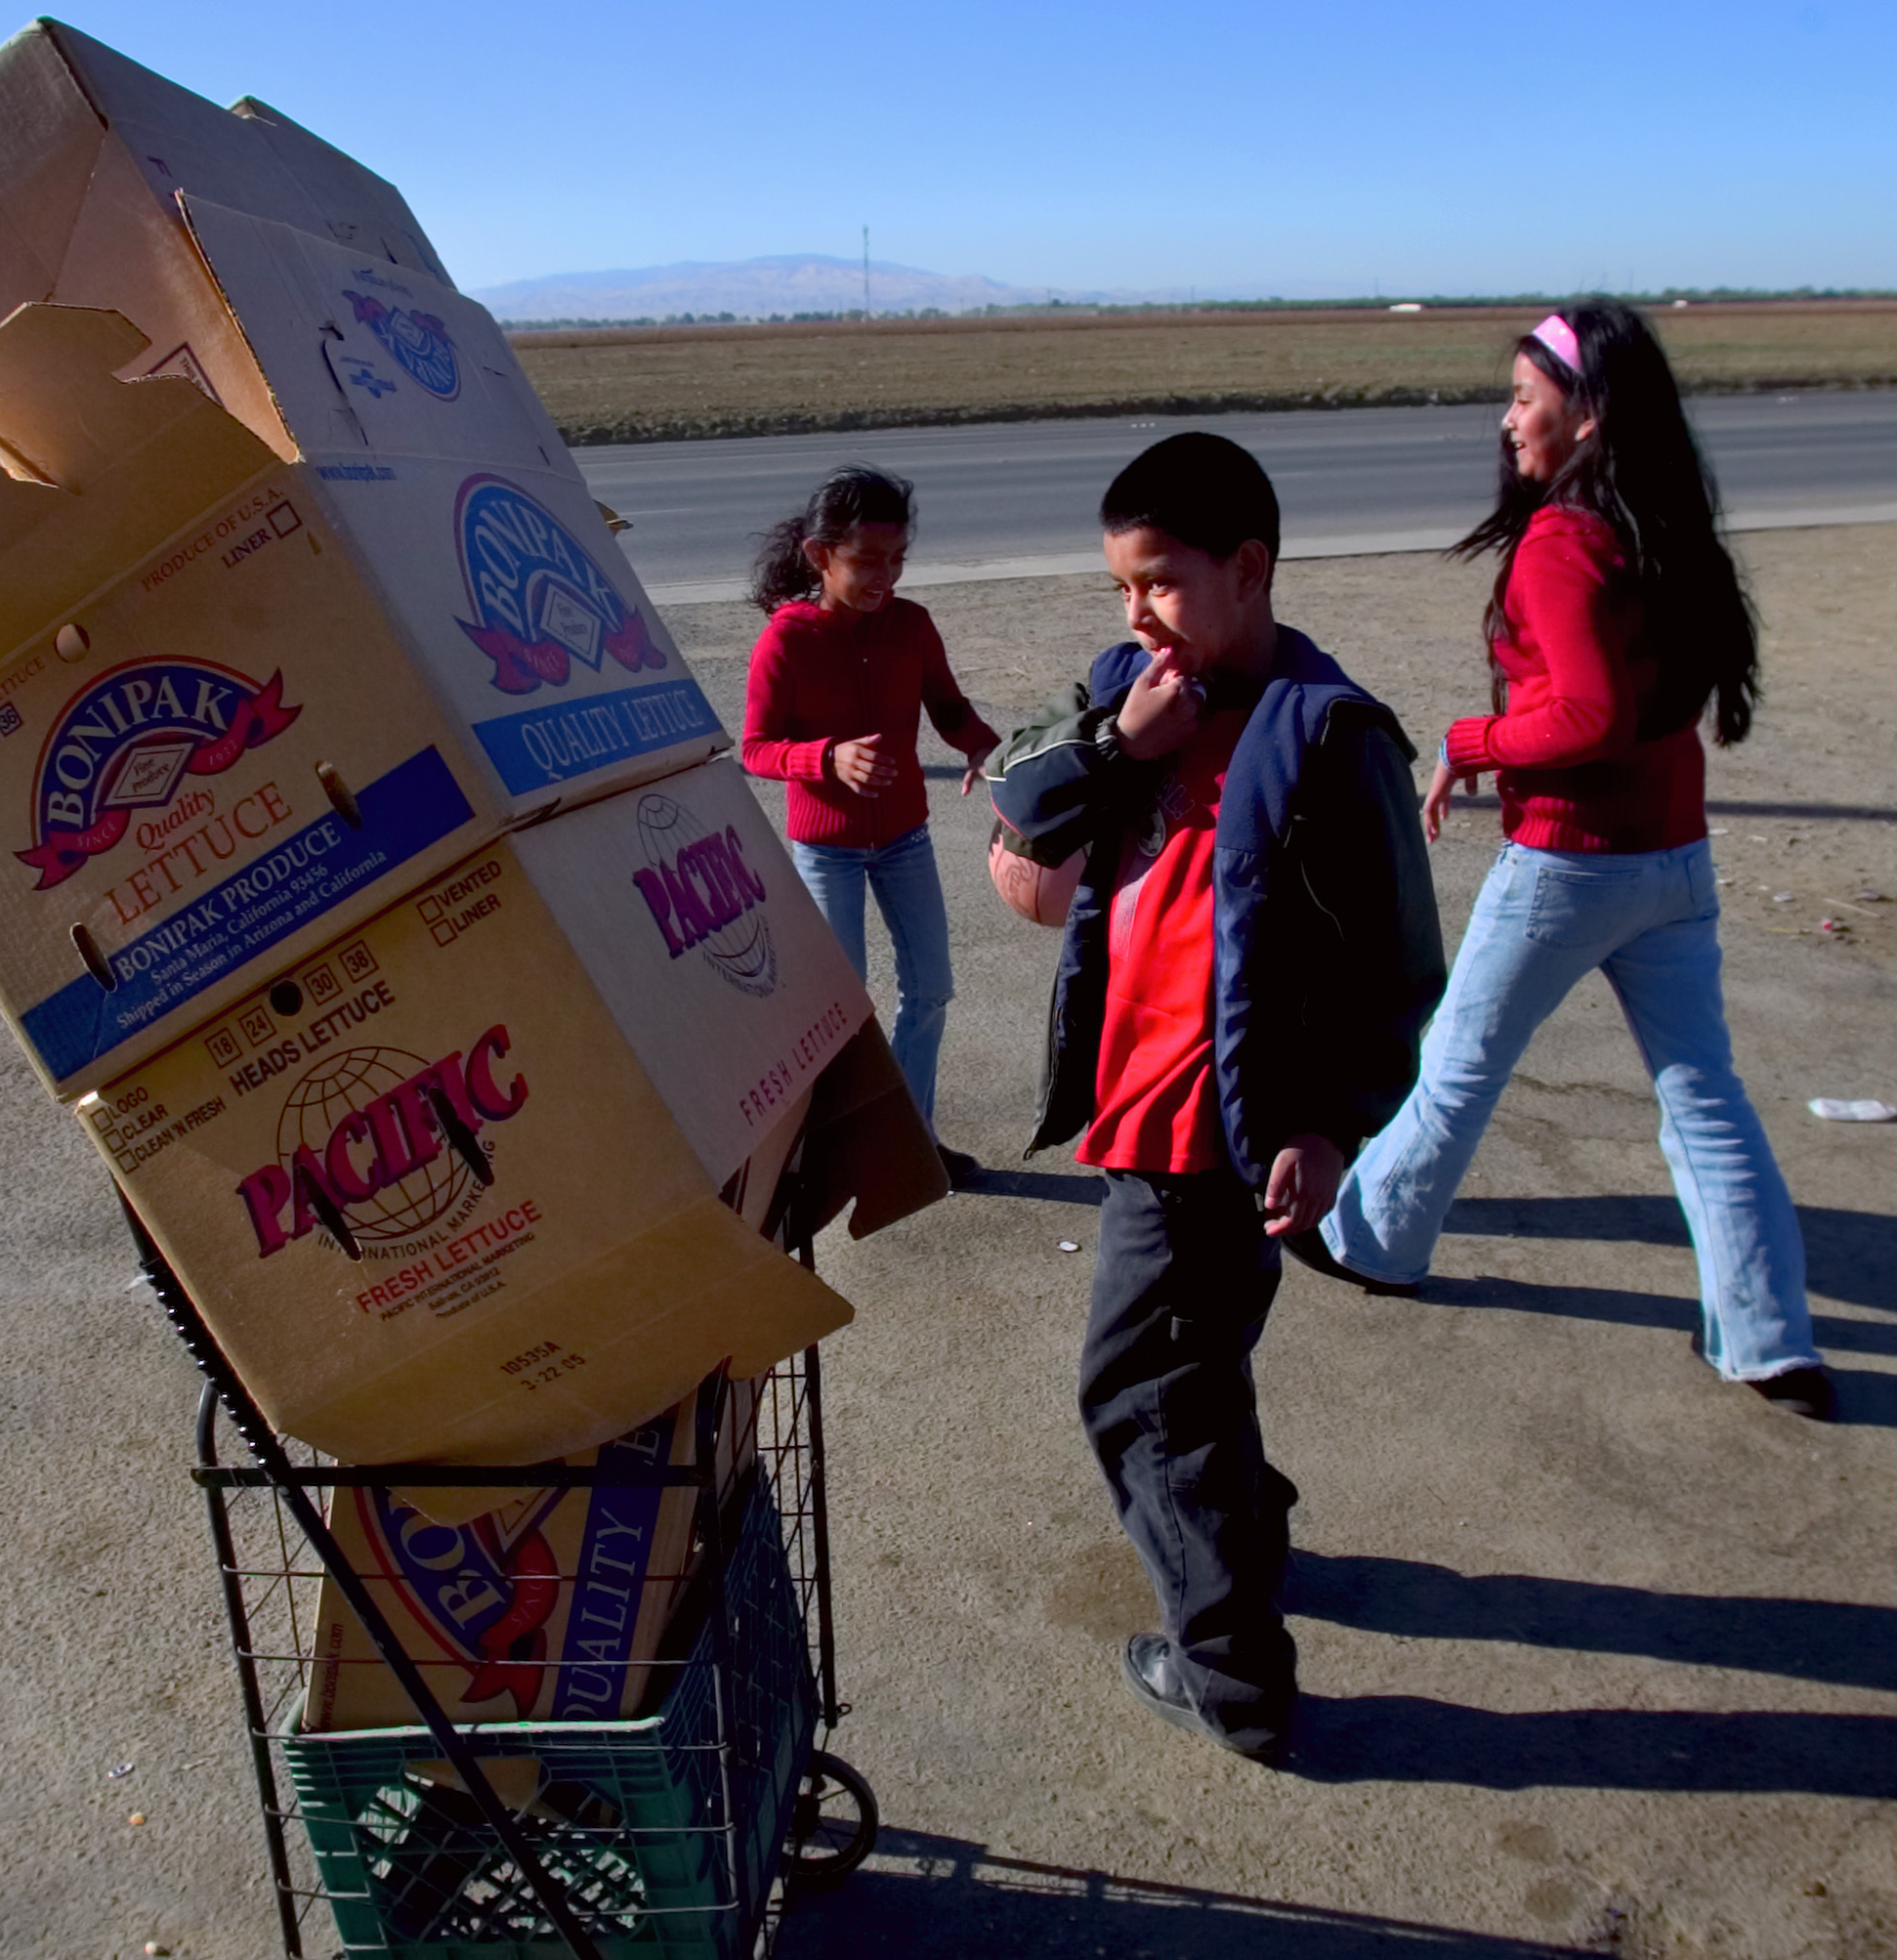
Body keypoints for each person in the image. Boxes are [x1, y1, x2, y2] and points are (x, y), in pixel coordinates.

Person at [1288, 302, 1835, 1424]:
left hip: (1571, 863)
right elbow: (1641, 708)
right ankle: (1770, 1336)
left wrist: (1466, 741)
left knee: (1455, 1064)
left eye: (1526, 400)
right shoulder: (1658, 526)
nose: (1508, 421)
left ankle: (1376, 1243)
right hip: (1674, 860)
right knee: (1705, 1098)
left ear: (1586, 417)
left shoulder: (1565, 541)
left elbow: (1586, 712)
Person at [987, 433, 1445, 1762]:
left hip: (1218, 1142)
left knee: (1144, 1398)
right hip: (1135, 1105)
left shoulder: (1329, 734)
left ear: (1248, 570)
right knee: (1197, 1377)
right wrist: (1121, 748)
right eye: (1118, 586)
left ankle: (1233, 1678)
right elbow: (1021, 809)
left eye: (1162, 582)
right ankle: (1252, 1544)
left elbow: (1392, 964)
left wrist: (1330, 1119)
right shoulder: (1130, 688)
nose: (1135, 612)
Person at [741, 465, 999, 1188]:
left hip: (904, 842)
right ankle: (822, 1149)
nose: (884, 576)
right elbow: (757, 749)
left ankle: (912, 1140)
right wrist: (826, 758)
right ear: (820, 554)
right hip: (825, 851)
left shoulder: (911, 625)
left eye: (897, 560)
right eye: (866, 562)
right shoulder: (786, 642)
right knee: (840, 1008)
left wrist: (980, 745)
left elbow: (947, 706)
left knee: (932, 989)